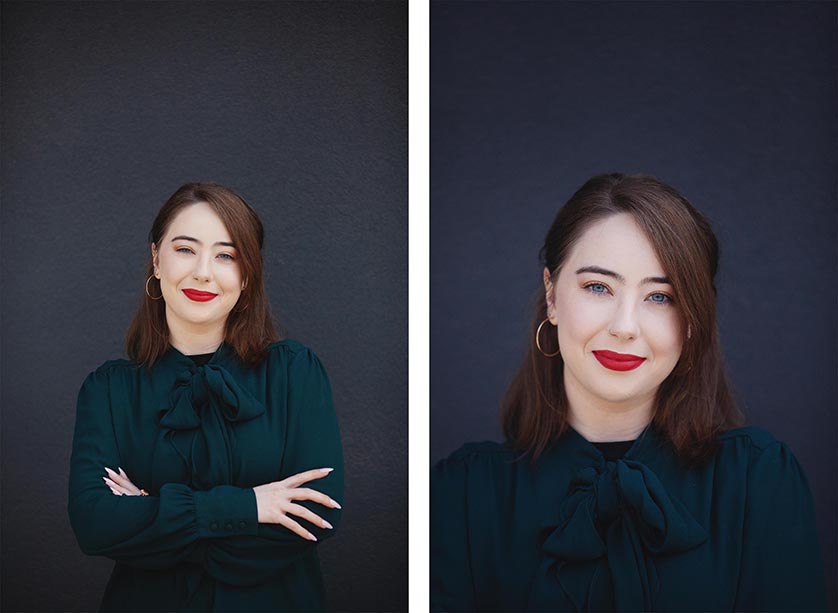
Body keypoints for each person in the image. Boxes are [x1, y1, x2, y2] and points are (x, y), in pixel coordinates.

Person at [431, 173, 827, 611]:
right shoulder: (461, 495)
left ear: (693, 317)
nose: (624, 326)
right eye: (598, 287)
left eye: (660, 297)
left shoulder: (759, 480)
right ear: (552, 296)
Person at [68, 182, 343, 612]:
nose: (202, 271)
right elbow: (93, 524)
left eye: (225, 255)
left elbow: (316, 517)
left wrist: (152, 512)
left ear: (247, 274)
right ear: (157, 259)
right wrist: (250, 506)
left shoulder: (295, 372)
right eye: (185, 249)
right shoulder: (107, 390)